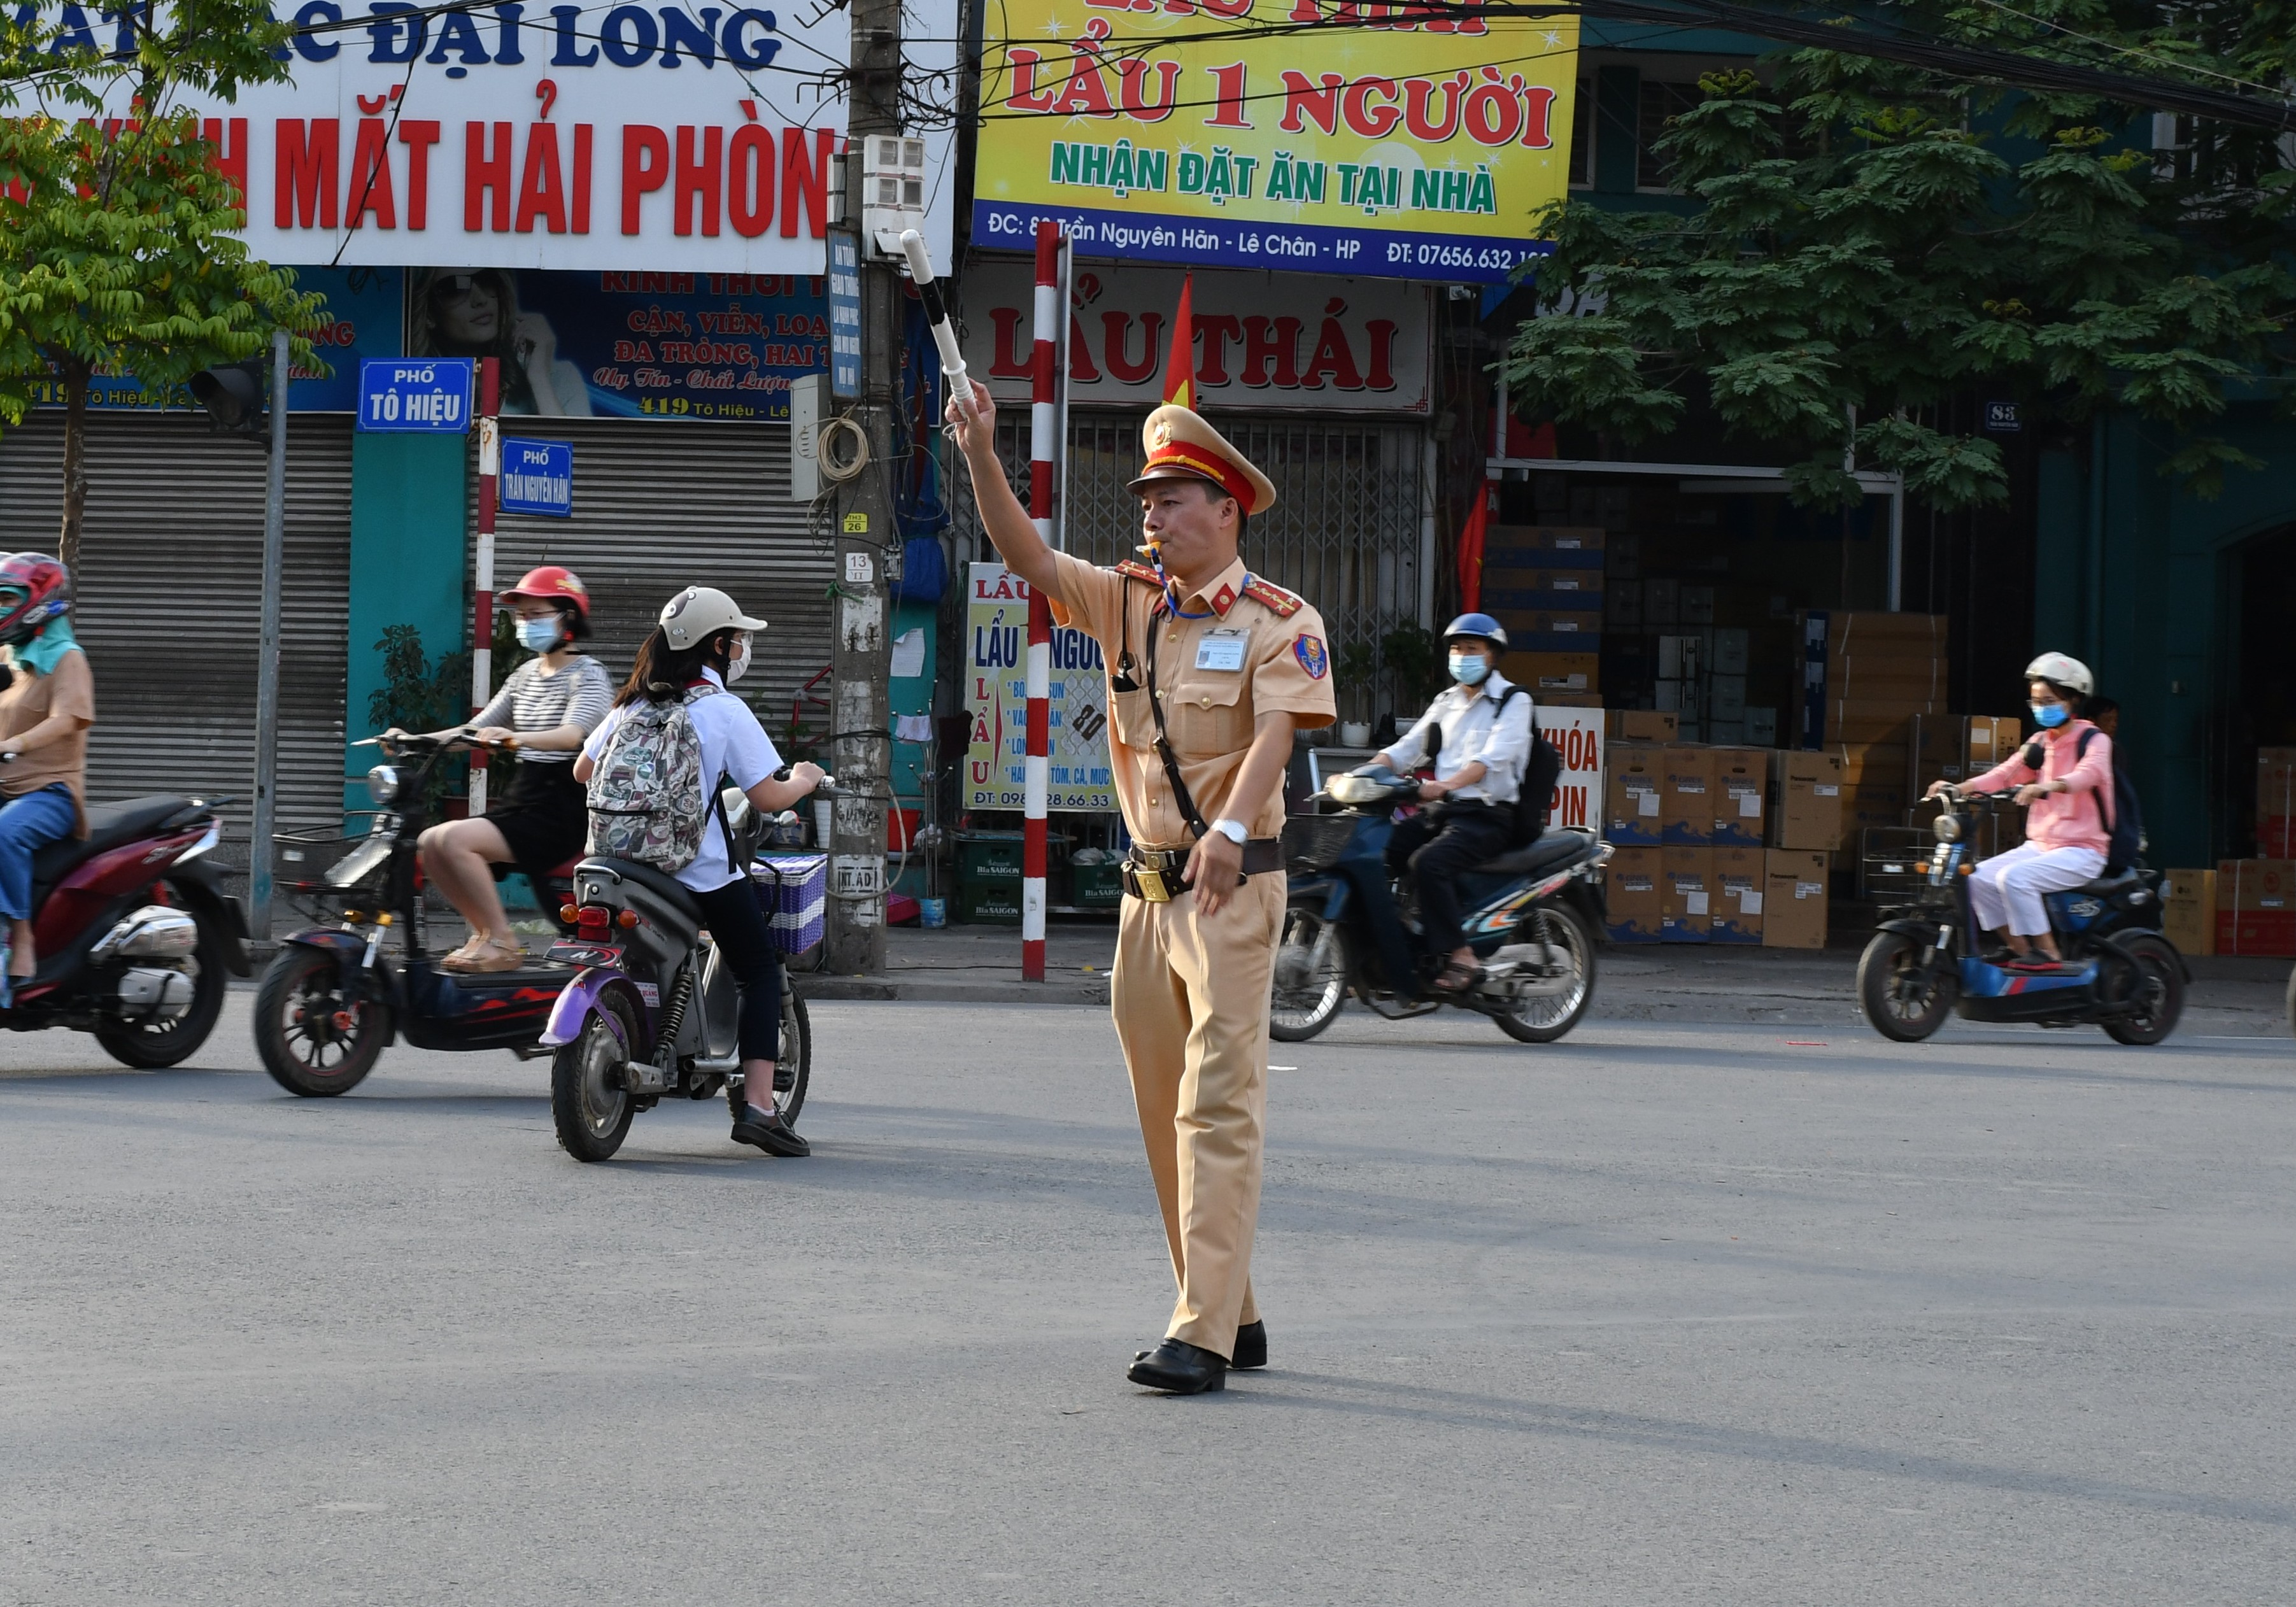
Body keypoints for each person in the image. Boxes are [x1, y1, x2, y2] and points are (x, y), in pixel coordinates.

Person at [949, 381, 1336, 1396]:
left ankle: (1199, 1331)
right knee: (1164, 1112)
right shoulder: (1126, 602)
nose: (1152, 518)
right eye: (1147, 502)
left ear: (1225, 510)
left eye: (1171, 501)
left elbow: (1276, 735)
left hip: (1230, 893)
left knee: (1218, 1106)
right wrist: (983, 452)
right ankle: (1231, 1307)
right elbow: (1026, 556)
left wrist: (1230, 829)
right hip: (1142, 901)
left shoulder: (1278, 623)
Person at [574, 587, 825, 1157]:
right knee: (759, 969)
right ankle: (760, 1107)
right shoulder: (722, 710)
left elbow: (582, 770)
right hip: (695, 870)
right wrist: (806, 779)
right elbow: (766, 797)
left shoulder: (631, 705)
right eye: (738, 638)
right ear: (718, 645)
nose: (742, 648)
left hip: (614, 864)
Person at [398, 567, 615, 973]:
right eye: (522, 616)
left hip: (562, 807)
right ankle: (483, 934)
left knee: (457, 840)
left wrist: (518, 739)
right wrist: (415, 739)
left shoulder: (589, 675)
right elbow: (475, 732)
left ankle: (504, 941)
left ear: (567, 617)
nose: (525, 623)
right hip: (525, 797)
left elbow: (574, 735)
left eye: (536, 614)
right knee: (429, 844)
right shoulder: (524, 675)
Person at [1370, 613, 1534, 993]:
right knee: (1380, 850)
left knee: (1429, 862)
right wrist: (1361, 774)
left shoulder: (1513, 701)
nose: (1462, 656)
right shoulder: (1447, 701)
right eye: (1457, 649)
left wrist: (1445, 785)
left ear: (1492, 656)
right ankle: (1398, 945)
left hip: (1488, 816)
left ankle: (1461, 954)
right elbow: (1405, 749)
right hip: (1444, 812)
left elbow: (1492, 758)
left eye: (1472, 649)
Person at [1926, 652, 2112, 971]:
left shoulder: (2094, 740)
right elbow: (2004, 775)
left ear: (2073, 700)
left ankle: (2050, 955)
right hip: (2040, 847)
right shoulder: (2039, 742)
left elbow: (2089, 774)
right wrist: (1960, 788)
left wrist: (2047, 786)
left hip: (2083, 851)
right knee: (1977, 879)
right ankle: (2018, 948)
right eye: (2036, 702)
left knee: (2015, 878)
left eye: (2049, 701)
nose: (2041, 708)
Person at [0, 553, 92, 1010]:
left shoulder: (66, 658)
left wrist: (15, 743)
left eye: (5, 598)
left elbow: (68, 718)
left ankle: (21, 937)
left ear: (40, 602)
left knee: (5, 833)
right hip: (6, 786)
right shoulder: (12, 658)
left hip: (50, 791)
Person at [407, 268, 593, 417]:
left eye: (487, 281)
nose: (480, 300)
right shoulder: (416, 390)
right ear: (430, 315)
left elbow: (572, 460)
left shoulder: (560, 379)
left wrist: (539, 379)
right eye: (454, 289)